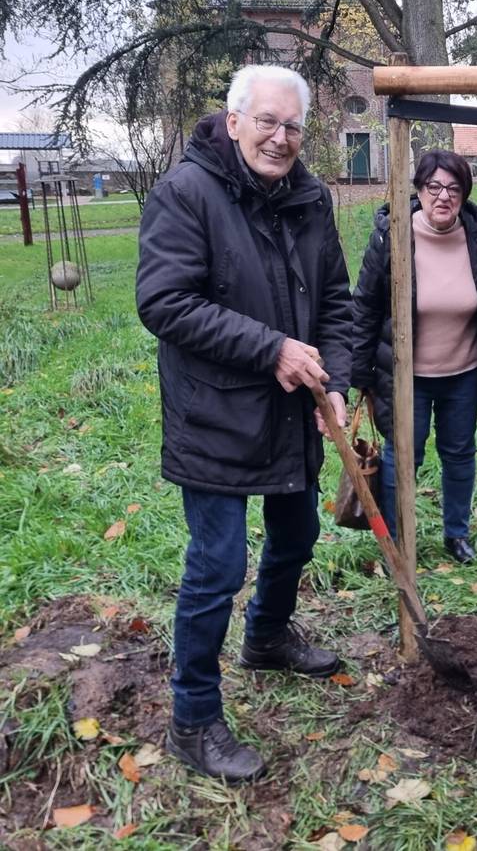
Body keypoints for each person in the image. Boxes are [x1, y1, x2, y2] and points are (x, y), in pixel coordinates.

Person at [136, 64, 352, 783]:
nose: (280, 138)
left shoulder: (310, 198)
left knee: (298, 535)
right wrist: (272, 349)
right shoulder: (185, 193)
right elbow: (164, 301)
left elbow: (336, 301)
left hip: (292, 409)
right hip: (215, 413)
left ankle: (266, 638)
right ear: (233, 123)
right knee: (218, 565)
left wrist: (336, 383)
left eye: (292, 126)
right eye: (266, 122)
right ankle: (193, 719)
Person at [351, 150, 477, 563]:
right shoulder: (392, 235)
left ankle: (457, 533)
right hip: (406, 375)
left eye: (454, 188)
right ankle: (399, 541)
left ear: (465, 194)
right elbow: (364, 306)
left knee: (460, 453)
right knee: (403, 455)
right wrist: (359, 374)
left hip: (463, 371)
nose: (443, 196)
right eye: (434, 187)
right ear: (418, 189)